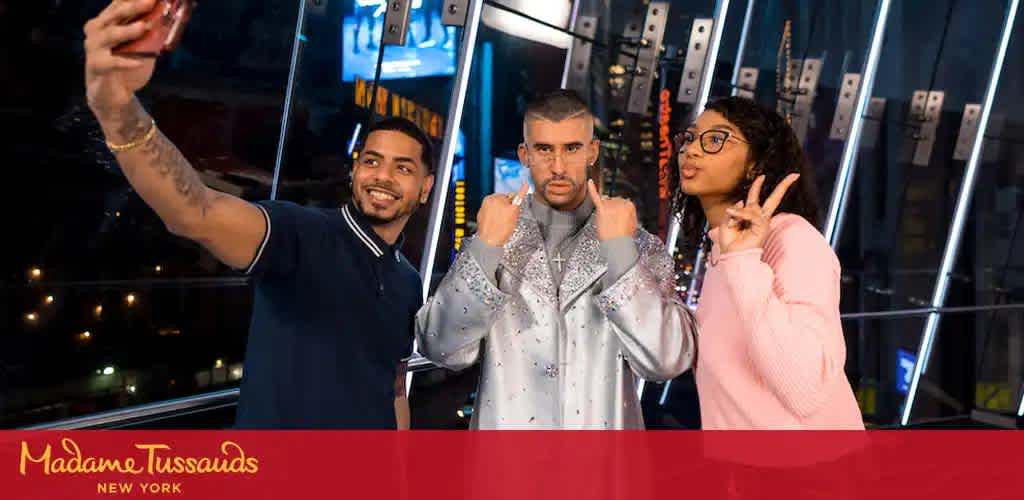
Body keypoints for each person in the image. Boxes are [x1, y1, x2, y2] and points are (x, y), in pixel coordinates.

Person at [83, 0, 435, 428]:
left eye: (402, 168)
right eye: (372, 161)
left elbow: (394, 386)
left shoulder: (407, 280)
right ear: (355, 169)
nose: (382, 176)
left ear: (425, 187)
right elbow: (195, 210)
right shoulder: (303, 235)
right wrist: (116, 108)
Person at [416, 89, 697, 429]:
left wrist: (621, 252)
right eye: (544, 149)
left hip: (601, 467)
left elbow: (666, 361)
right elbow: (440, 346)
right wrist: (486, 247)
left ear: (592, 151)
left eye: (572, 148)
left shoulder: (636, 245)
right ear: (525, 154)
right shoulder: (492, 239)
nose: (558, 167)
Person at [675, 96, 863, 429]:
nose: (692, 150)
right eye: (689, 138)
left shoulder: (792, 239)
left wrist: (744, 259)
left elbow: (807, 387)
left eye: (716, 140)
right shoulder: (725, 252)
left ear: (755, 164)